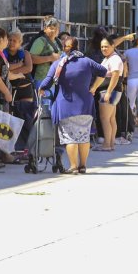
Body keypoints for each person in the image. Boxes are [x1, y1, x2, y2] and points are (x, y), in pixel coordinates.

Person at [37, 37, 106, 174]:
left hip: (65, 106)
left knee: (70, 138)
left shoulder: (58, 64)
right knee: (84, 136)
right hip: (85, 105)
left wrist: (41, 89)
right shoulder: (87, 61)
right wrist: (93, 87)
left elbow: (47, 82)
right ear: (78, 47)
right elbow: (103, 71)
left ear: (64, 48)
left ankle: (73, 166)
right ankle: (83, 166)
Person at [4, 30, 35, 151]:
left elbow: (28, 68)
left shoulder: (25, 53)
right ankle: (14, 147)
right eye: (10, 40)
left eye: (15, 41)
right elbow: (4, 69)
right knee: (12, 118)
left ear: (20, 42)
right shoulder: (4, 53)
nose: (12, 43)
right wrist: (19, 66)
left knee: (27, 118)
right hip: (10, 90)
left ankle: (28, 147)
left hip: (25, 89)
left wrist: (12, 71)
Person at [96, 36, 124, 151]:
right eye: (102, 46)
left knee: (105, 118)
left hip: (109, 91)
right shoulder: (108, 58)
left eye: (106, 46)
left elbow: (115, 75)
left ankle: (107, 144)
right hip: (111, 91)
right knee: (111, 119)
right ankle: (111, 144)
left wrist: (108, 92)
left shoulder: (114, 59)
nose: (104, 49)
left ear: (113, 46)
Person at [29, 17, 62, 83]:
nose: (54, 31)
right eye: (51, 28)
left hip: (55, 79)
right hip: (41, 79)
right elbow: (31, 59)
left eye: (57, 28)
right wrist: (50, 58)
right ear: (45, 29)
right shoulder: (40, 41)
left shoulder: (58, 41)